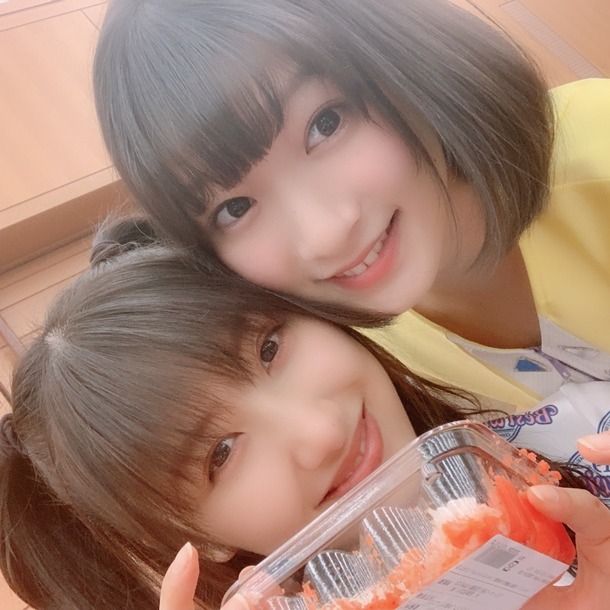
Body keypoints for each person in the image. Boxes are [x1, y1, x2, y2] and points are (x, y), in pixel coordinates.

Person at [1, 218, 609, 610]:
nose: (319, 433)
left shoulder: (586, 436)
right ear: (200, 540)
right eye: (220, 454)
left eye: (269, 348)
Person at [92, 0, 610, 410]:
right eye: (235, 207)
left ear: (402, 58)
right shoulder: (366, 353)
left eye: (326, 124)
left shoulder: (599, 148)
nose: (325, 234)